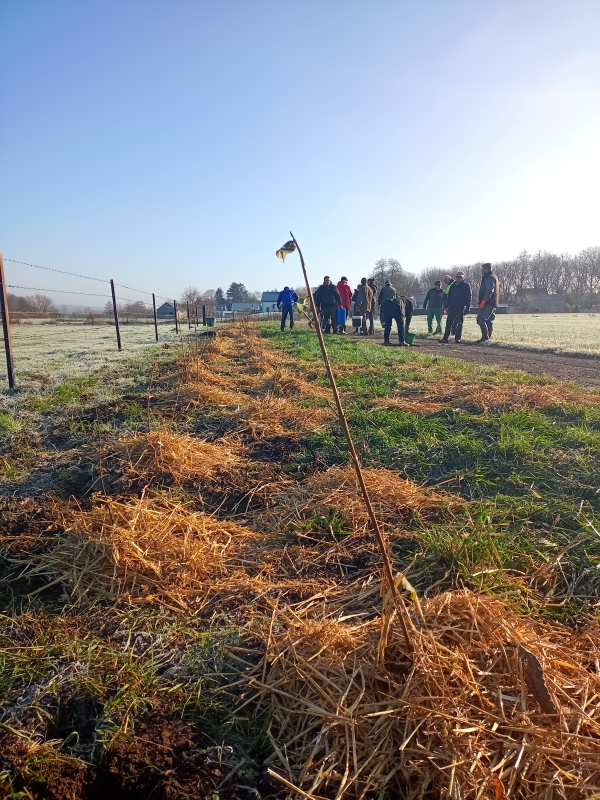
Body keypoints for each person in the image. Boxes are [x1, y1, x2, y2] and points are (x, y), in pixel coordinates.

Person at [439, 271, 471, 344]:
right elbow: (449, 297)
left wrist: (467, 307)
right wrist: (446, 306)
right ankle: (445, 338)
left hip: (461, 306)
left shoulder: (466, 286)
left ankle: (457, 338)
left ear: (463, 277)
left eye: (460, 277)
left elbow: (468, 297)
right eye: (457, 277)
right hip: (452, 306)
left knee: (459, 323)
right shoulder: (453, 286)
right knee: (448, 323)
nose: (458, 278)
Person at [476, 262, 499, 344]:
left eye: (483, 269)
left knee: (481, 319)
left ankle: (485, 338)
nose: (482, 270)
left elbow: (489, 290)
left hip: (488, 302)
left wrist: (484, 301)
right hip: (493, 302)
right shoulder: (492, 277)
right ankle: (488, 338)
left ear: (489, 268)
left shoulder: (489, 278)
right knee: (489, 321)